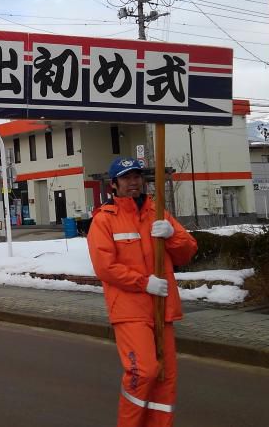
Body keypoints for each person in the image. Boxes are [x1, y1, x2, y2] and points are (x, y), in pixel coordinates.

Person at [87, 157, 198, 427]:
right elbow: (105, 267)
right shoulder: (104, 220)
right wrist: (143, 282)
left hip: (162, 308)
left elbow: (187, 252)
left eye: (137, 176)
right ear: (114, 184)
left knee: (165, 378)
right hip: (129, 310)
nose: (133, 182)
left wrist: (172, 234)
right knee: (144, 372)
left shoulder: (157, 213)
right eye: (126, 178)